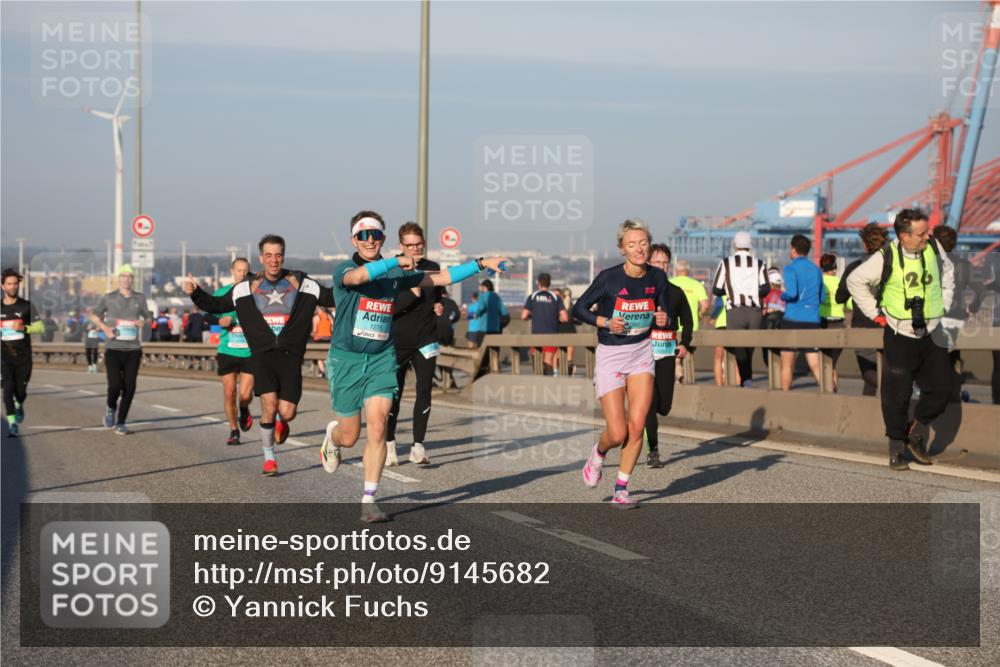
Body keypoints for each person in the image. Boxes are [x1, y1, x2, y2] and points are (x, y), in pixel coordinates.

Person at [317, 210, 507, 522]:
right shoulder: (345, 270)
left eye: (375, 234)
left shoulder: (397, 276)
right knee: (351, 436)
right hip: (347, 359)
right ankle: (333, 439)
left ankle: (369, 499)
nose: (369, 240)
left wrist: (481, 263)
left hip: (381, 358)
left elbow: (442, 278)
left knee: (377, 427)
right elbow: (360, 278)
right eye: (363, 235)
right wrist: (395, 261)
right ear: (354, 239)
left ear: (383, 238)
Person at [186, 234, 335, 476]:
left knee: (287, 411)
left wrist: (357, 284)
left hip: (290, 356)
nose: (273, 260)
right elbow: (216, 305)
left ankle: (281, 422)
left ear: (283, 256)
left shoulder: (300, 282)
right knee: (268, 405)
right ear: (261, 258)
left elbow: (330, 296)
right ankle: (269, 458)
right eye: (268, 255)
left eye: (278, 255)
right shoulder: (245, 287)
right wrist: (196, 293)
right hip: (262, 355)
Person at [573, 218, 671, 509]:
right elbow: (578, 308)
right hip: (612, 354)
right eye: (632, 244)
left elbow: (662, 310)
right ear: (622, 249)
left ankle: (621, 489)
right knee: (617, 433)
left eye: (643, 243)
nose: (639, 249)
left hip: (641, 353)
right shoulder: (609, 278)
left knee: (637, 426)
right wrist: (604, 321)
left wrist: (663, 318)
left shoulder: (657, 277)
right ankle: (598, 454)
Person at [846, 208, 954, 470]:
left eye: (927, 231)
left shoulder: (934, 247)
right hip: (899, 334)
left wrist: (945, 304)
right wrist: (875, 314)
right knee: (897, 396)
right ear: (904, 235)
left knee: (942, 389)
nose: (927, 236)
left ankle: (915, 434)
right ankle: (896, 447)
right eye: (921, 233)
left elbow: (949, 273)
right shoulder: (887, 256)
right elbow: (855, 281)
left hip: (932, 332)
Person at [385, 222, 445, 467]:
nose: (414, 249)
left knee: (424, 390)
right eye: (409, 245)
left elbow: (438, 297)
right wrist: (411, 295)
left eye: (418, 244)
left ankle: (418, 446)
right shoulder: (392, 269)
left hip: (426, 338)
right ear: (401, 246)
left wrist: (439, 306)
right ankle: (389, 445)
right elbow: (390, 306)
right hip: (398, 339)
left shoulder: (433, 268)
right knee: (394, 394)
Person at [645, 244, 693, 468]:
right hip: (642, 356)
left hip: (665, 354)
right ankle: (653, 450)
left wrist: (684, 343)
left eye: (665, 262)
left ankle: (644, 420)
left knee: (664, 406)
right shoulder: (641, 291)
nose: (661, 266)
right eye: (656, 262)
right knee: (649, 403)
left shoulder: (675, 292)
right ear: (647, 263)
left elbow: (688, 320)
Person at [89, 264, 151, 435]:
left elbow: (148, 315)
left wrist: (143, 322)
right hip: (113, 349)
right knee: (115, 386)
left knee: (129, 387)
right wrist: (104, 328)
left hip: (133, 349)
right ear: (119, 278)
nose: (126, 279)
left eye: (129, 276)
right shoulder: (109, 297)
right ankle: (110, 408)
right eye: (123, 275)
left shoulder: (139, 298)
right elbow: (94, 315)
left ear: (133, 279)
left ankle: (121, 422)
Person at [836, 223, 888, 397]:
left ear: (864, 244)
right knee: (885, 372)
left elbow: (839, 297)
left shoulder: (855, 267)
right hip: (889, 324)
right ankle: (869, 415)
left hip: (863, 326)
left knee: (869, 374)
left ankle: (898, 390)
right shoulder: (893, 267)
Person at [931, 225, 982, 403]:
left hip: (935, 319)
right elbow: (980, 290)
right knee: (953, 359)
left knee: (933, 360)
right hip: (956, 319)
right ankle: (953, 395)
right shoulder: (965, 266)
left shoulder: (930, 264)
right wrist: (972, 309)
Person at [711, 230, 768, 387]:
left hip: (735, 311)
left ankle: (746, 380)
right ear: (750, 246)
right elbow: (766, 289)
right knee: (750, 347)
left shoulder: (726, 263)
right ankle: (746, 379)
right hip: (755, 311)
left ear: (735, 245)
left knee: (739, 347)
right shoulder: (760, 263)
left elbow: (716, 289)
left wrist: (731, 292)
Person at [212, 258, 255, 446]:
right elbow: (208, 318)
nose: (242, 274)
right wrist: (218, 322)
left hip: (249, 351)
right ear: (232, 271)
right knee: (229, 392)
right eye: (239, 270)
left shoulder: (255, 294)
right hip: (227, 350)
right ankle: (233, 430)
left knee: (244, 396)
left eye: (246, 271)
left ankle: (244, 408)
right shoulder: (221, 293)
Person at [780, 235, 825, 391]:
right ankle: (829, 395)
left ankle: (785, 398)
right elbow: (822, 297)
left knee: (787, 363)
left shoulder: (790, 269)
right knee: (815, 363)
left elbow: (792, 294)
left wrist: (782, 295)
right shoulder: (816, 270)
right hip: (813, 320)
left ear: (793, 249)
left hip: (792, 319)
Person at [2, 268, 43, 437]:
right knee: (7, 388)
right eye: (9, 284)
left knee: (20, 391)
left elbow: (40, 327)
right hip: (4, 356)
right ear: (2, 286)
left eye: (15, 284)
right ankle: (12, 423)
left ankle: (19, 404)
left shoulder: (26, 306)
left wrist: (24, 327)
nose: (13, 287)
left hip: (24, 356)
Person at [521, 272, 569, 375]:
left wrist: (532, 316)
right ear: (549, 284)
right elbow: (565, 318)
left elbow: (523, 316)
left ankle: (537, 384)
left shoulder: (533, 296)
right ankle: (548, 383)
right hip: (551, 335)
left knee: (537, 364)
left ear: (538, 283)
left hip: (536, 335)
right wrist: (556, 319)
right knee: (548, 363)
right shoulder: (556, 297)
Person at [819, 253, 845, 392]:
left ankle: (827, 391)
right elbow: (851, 304)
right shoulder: (841, 282)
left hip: (822, 324)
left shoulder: (818, 282)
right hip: (838, 324)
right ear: (835, 267)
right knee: (833, 363)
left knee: (825, 363)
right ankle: (834, 390)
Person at [760, 267, 785, 368]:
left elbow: (763, 309)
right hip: (783, 324)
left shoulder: (766, 295)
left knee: (767, 350)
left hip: (768, 323)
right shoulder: (785, 295)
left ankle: (771, 368)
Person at [555, 287, 579, 377]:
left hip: (560, 333)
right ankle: (568, 374)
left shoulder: (558, 306)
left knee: (558, 357)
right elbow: (579, 321)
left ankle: (558, 374)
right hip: (570, 333)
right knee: (569, 358)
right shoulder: (572, 306)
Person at [312, 305, 333, 378]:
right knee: (326, 356)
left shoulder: (316, 318)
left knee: (318, 357)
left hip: (319, 339)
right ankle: (325, 371)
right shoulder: (329, 316)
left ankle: (322, 372)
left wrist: (311, 334)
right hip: (328, 339)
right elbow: (333, 327)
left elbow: (314, 331)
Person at [711, 295, 728, 386]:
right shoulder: (734, 293)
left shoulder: (720, 295)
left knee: (718, 358)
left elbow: (719, 305)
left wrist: (713, 317)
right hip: (733, 326)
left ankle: (719, 385)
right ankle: (738, 385)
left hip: (721, 326)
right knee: (735, 359)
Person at [83, 308, 101, 372]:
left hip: (95, 337)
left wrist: (98, 328)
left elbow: (101, 327)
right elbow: (83, 328)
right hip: (88, 338)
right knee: (88, 351)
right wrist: (87, 328)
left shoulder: (98, 320)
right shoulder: (86, 320)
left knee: (95, 351)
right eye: (89, 312)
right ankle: (89, 366)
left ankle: (94, 365)